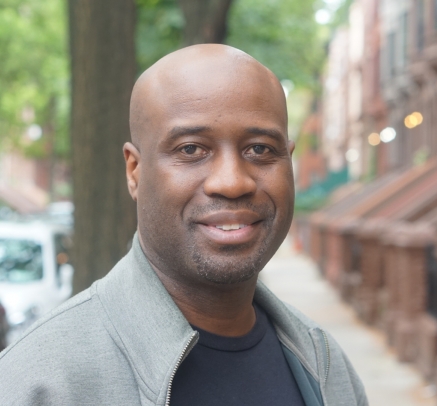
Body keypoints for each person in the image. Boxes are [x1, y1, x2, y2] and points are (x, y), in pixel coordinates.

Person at [0, 45, 368, 406]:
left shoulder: (325, 365)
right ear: (135, 171)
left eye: (259, 149)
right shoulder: (42, 384)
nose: (232, 182)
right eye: (191, 149)